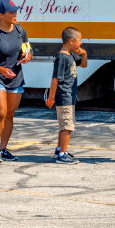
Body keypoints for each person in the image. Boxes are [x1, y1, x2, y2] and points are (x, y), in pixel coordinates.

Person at [0, 0, 32, 164]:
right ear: (1, 15)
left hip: (15, 76)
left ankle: (3, 149)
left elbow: (29, 49)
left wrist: (27, 57)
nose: (15, 14)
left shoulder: (20, 30)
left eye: (16, 11)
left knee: (9, 114)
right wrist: (1, 70)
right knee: (1, 113)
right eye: (11, 12)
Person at [46, 27, 88, 164]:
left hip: (69, 96)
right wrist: (51, 98)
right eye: (79, 40)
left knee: (64, 125)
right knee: (67, 126)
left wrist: (84, 54)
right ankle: (63, 154)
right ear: (71, 41)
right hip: (64, 96)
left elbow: (84, 65)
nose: (81, 43)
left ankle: (60, 149)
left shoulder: (71, 55)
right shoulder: (62, 57)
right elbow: (54, 79)